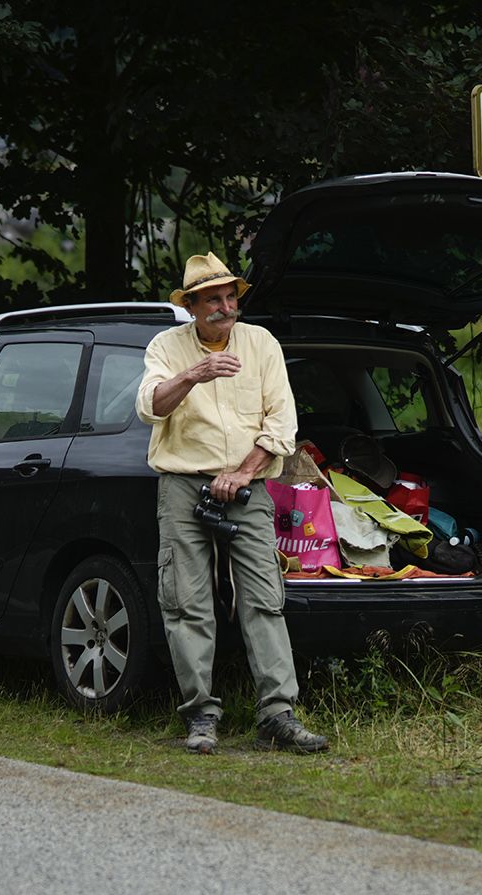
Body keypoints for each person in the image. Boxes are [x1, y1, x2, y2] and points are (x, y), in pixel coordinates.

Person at [136, 251, 328, 755]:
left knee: (264, 599)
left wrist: (242, 473)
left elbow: (282, 423)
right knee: (185, 602)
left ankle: (278, 715)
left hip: (248, 487)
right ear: (192, 306)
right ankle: (201, 717)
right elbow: (149, 406)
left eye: (230, 297)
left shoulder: (261, 343)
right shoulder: (166, 346)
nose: (225, 307)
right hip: (182, 485)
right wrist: (194, 374)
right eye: (213, 300)